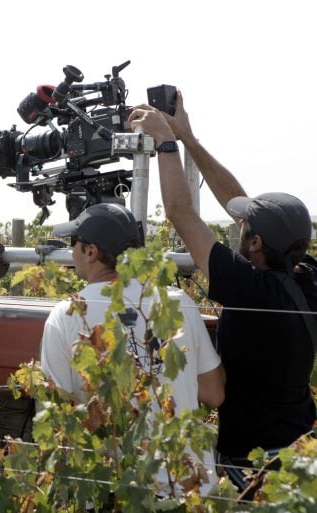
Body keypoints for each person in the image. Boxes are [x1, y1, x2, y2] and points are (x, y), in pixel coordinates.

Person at [128, 93, 317, 493]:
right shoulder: (306, 276)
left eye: (245, 227)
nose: (239, 226)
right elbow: (241, 208)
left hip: (251, 461)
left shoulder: (249, 290)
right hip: (299, 446)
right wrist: (188, 139)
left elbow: (181, 215)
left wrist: (165, 144)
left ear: (255, 243)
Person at [40, 202, 225, 494]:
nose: (70, 251)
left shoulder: (66, 315)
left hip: (114, 491)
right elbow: (214, 394)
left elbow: (60, 421)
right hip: (190, 489)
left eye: (73, 243)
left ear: (91, 252)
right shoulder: (179, 303)